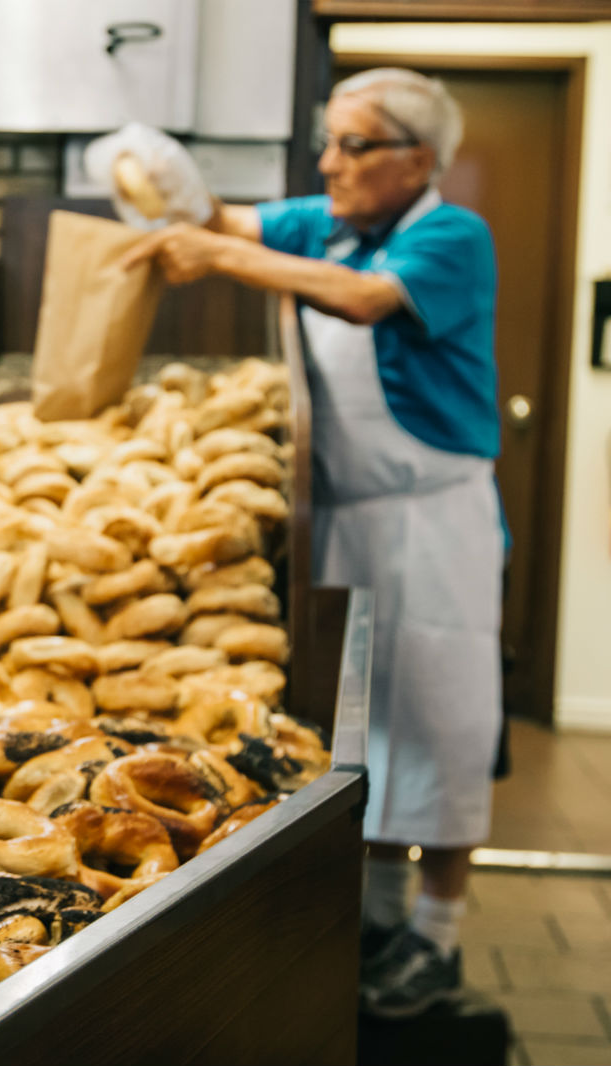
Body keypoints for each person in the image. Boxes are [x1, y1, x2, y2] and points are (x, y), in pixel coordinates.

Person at [120, 68, 502, 1018]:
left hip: (435, 519)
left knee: (446, 722)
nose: (328, 163)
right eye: (326, 143)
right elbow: (229, 220)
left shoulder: (449, 236)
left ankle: (439, 939)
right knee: (358, 728)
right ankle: (375, 918)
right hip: (344, 519)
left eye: (352, 146)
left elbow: (362, 300)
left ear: (417, 158)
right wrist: (161, 174)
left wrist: (217, 256)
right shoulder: (328, 221)